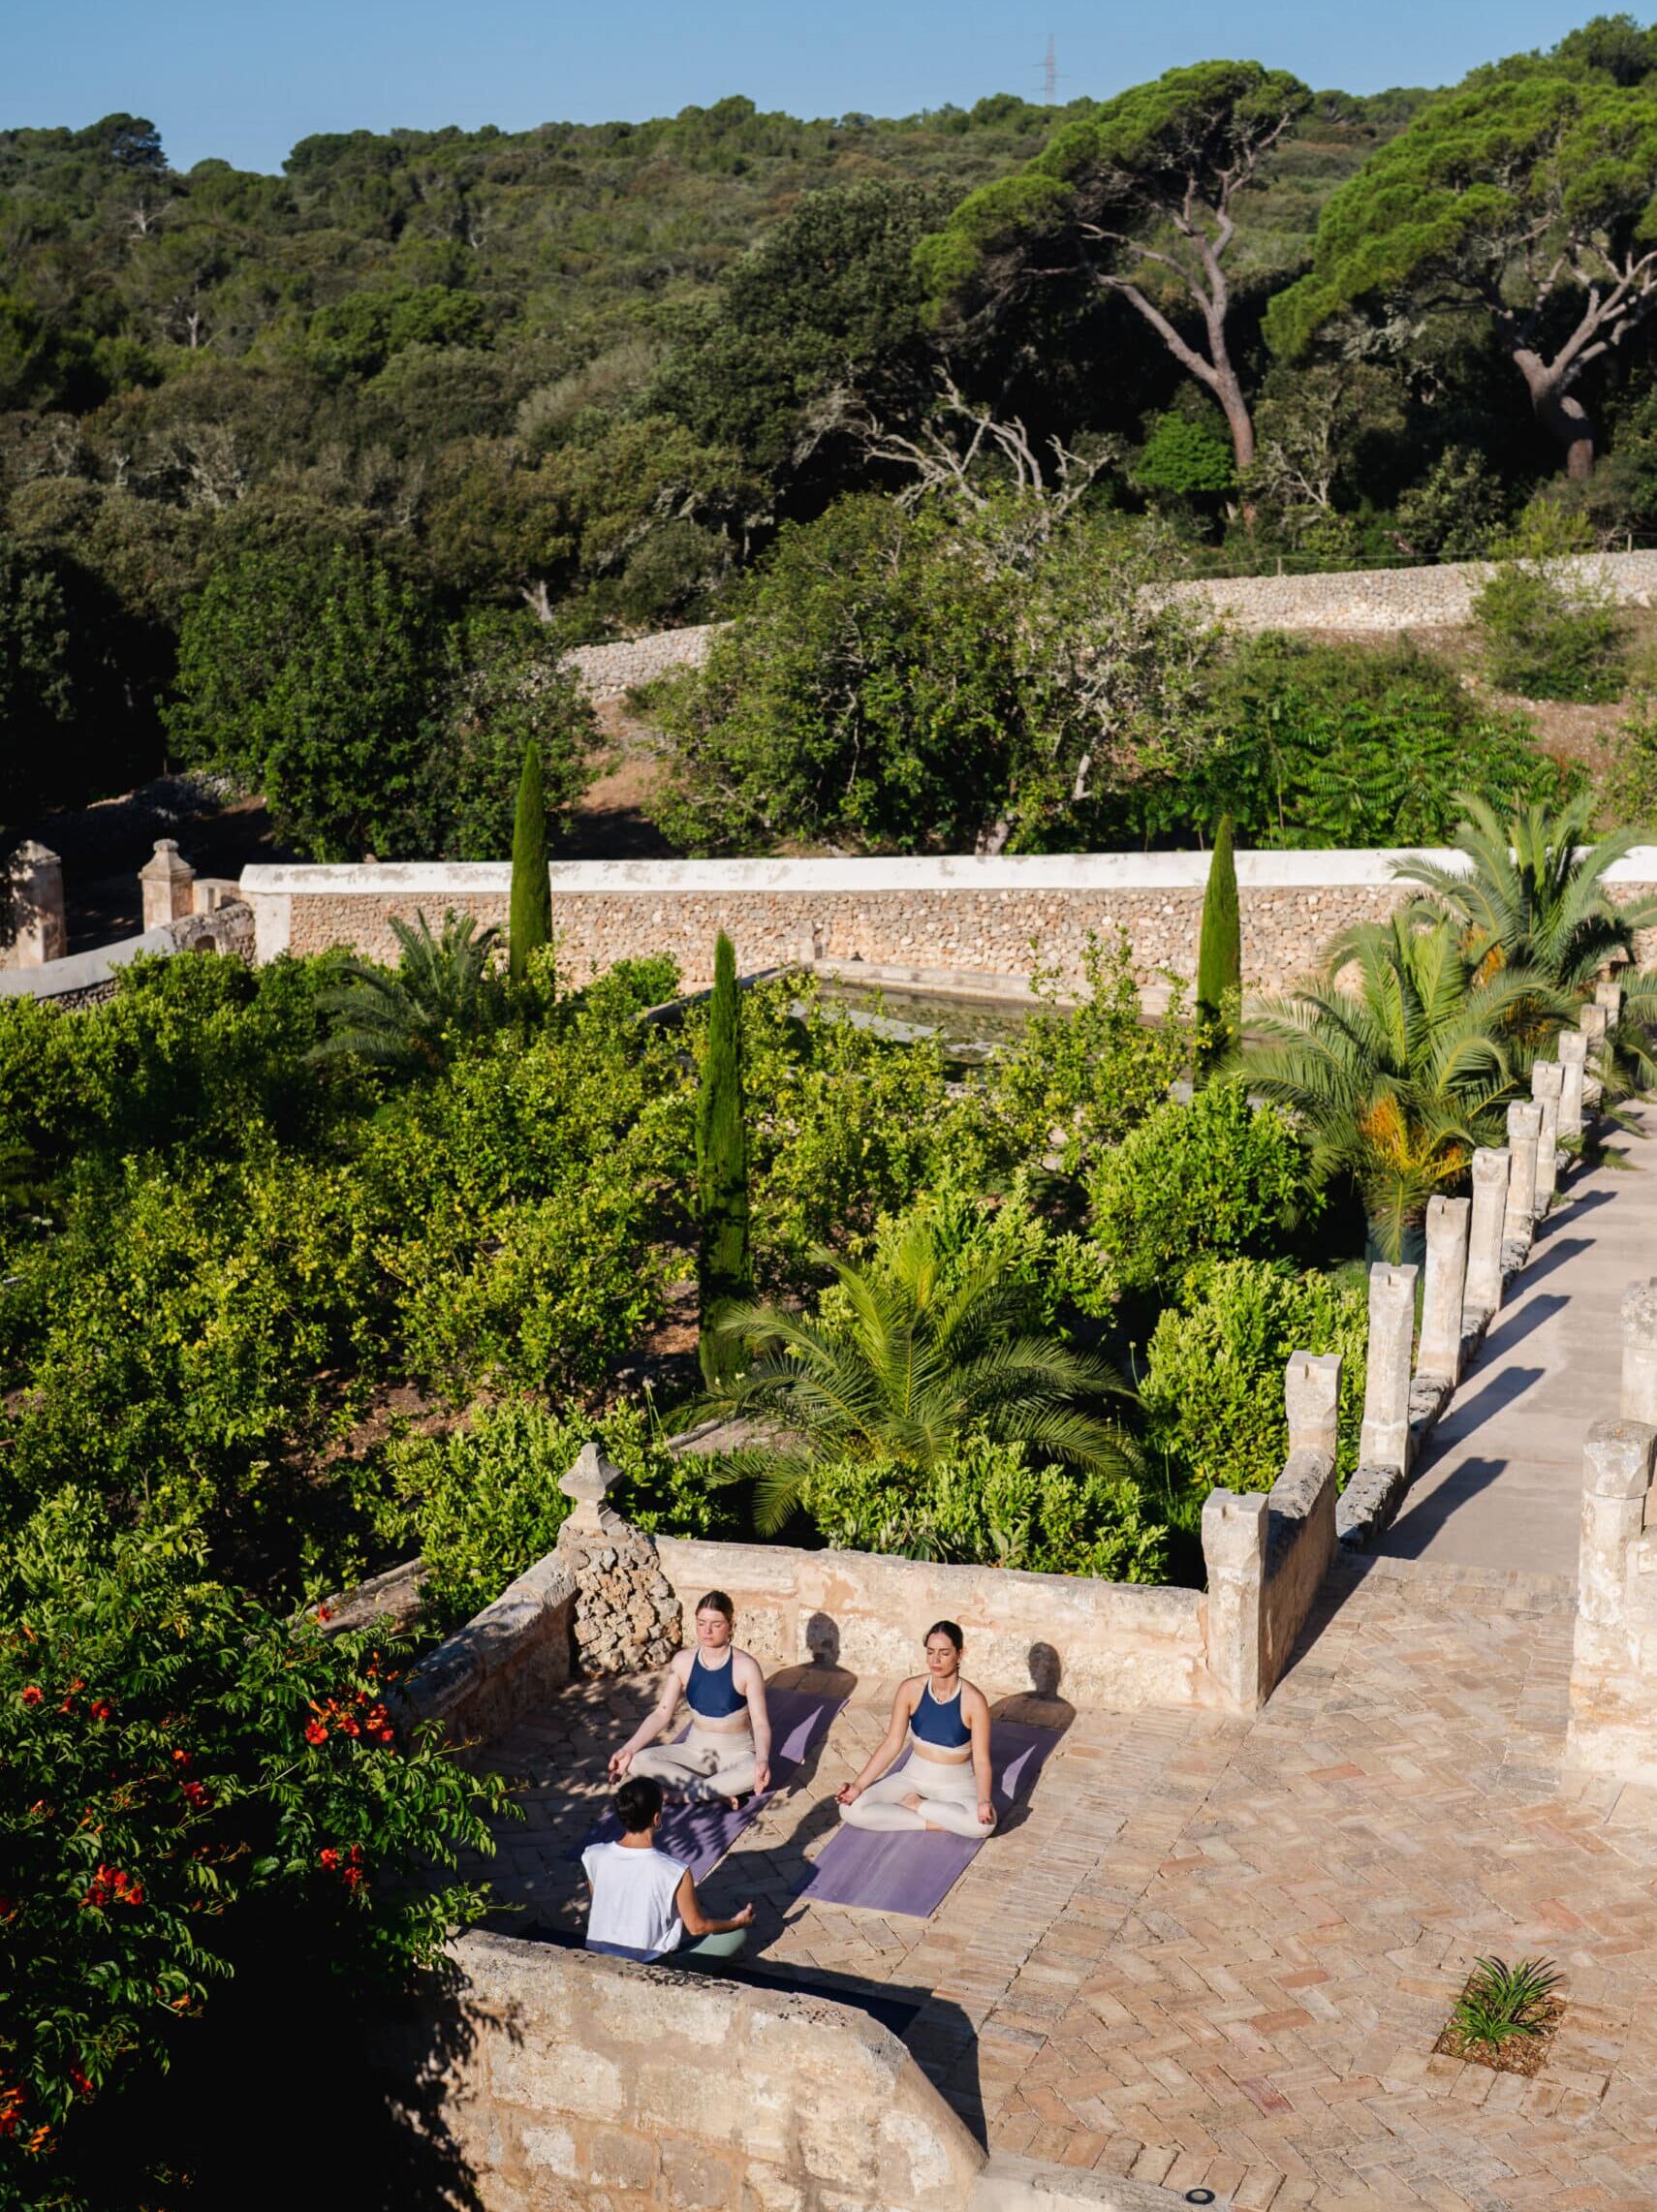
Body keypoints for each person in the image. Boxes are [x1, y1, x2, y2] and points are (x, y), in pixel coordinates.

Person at [608, 1590, 771, 1807]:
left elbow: (760, 1723)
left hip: (736, 1754)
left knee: (752, 1773)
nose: (707, 1631)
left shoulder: (746, 1666)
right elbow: (662, 1713)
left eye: (716, 1624)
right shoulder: (683, 1661)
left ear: (731, 1625)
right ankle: (715, 1792)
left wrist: (762, 1760)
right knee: (637, 1761)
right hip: (693, 1751)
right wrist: (627, 1749)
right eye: (701, 1622)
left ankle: (682, 1796)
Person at [834, 1620, 994, 1838]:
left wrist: (984, 1800)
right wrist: (858, 1786)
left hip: (956, 1785)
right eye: (930, 1652)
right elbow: (892, 1743)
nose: (935, 1660)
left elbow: (982, 1760)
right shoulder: (911, 1689)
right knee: (849, 1808)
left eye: (944, 1653)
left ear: (960, 1654)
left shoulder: (973, 1701)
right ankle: (936, 1822)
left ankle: (916, 1806)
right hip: (912, 1778)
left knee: (984, 1826)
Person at [581, 1775, 755, 1963]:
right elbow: (697, 1927)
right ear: (656, 1818)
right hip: (651, 1970)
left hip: (600, 1960)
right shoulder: (674, 1871)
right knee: (735, 1935)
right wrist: (737, 1923)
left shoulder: (593, 1855)